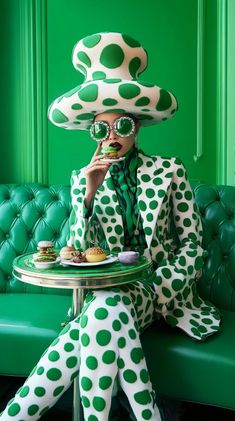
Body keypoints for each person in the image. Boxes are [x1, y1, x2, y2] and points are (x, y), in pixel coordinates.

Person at [0, 32, 221, 421]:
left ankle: (15, 416)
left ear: (136, 127)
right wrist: (87, 196)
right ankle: (146, 412)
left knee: (101, 314)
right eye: (101, 129)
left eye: (121, 125)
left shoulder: (170, 171)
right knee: (106, 310)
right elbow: (76, 252)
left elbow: (193, 247)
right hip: (110, 294)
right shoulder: (82, 178)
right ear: (93, 135)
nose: (112, 137)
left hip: (159, 290)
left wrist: (157, 285)